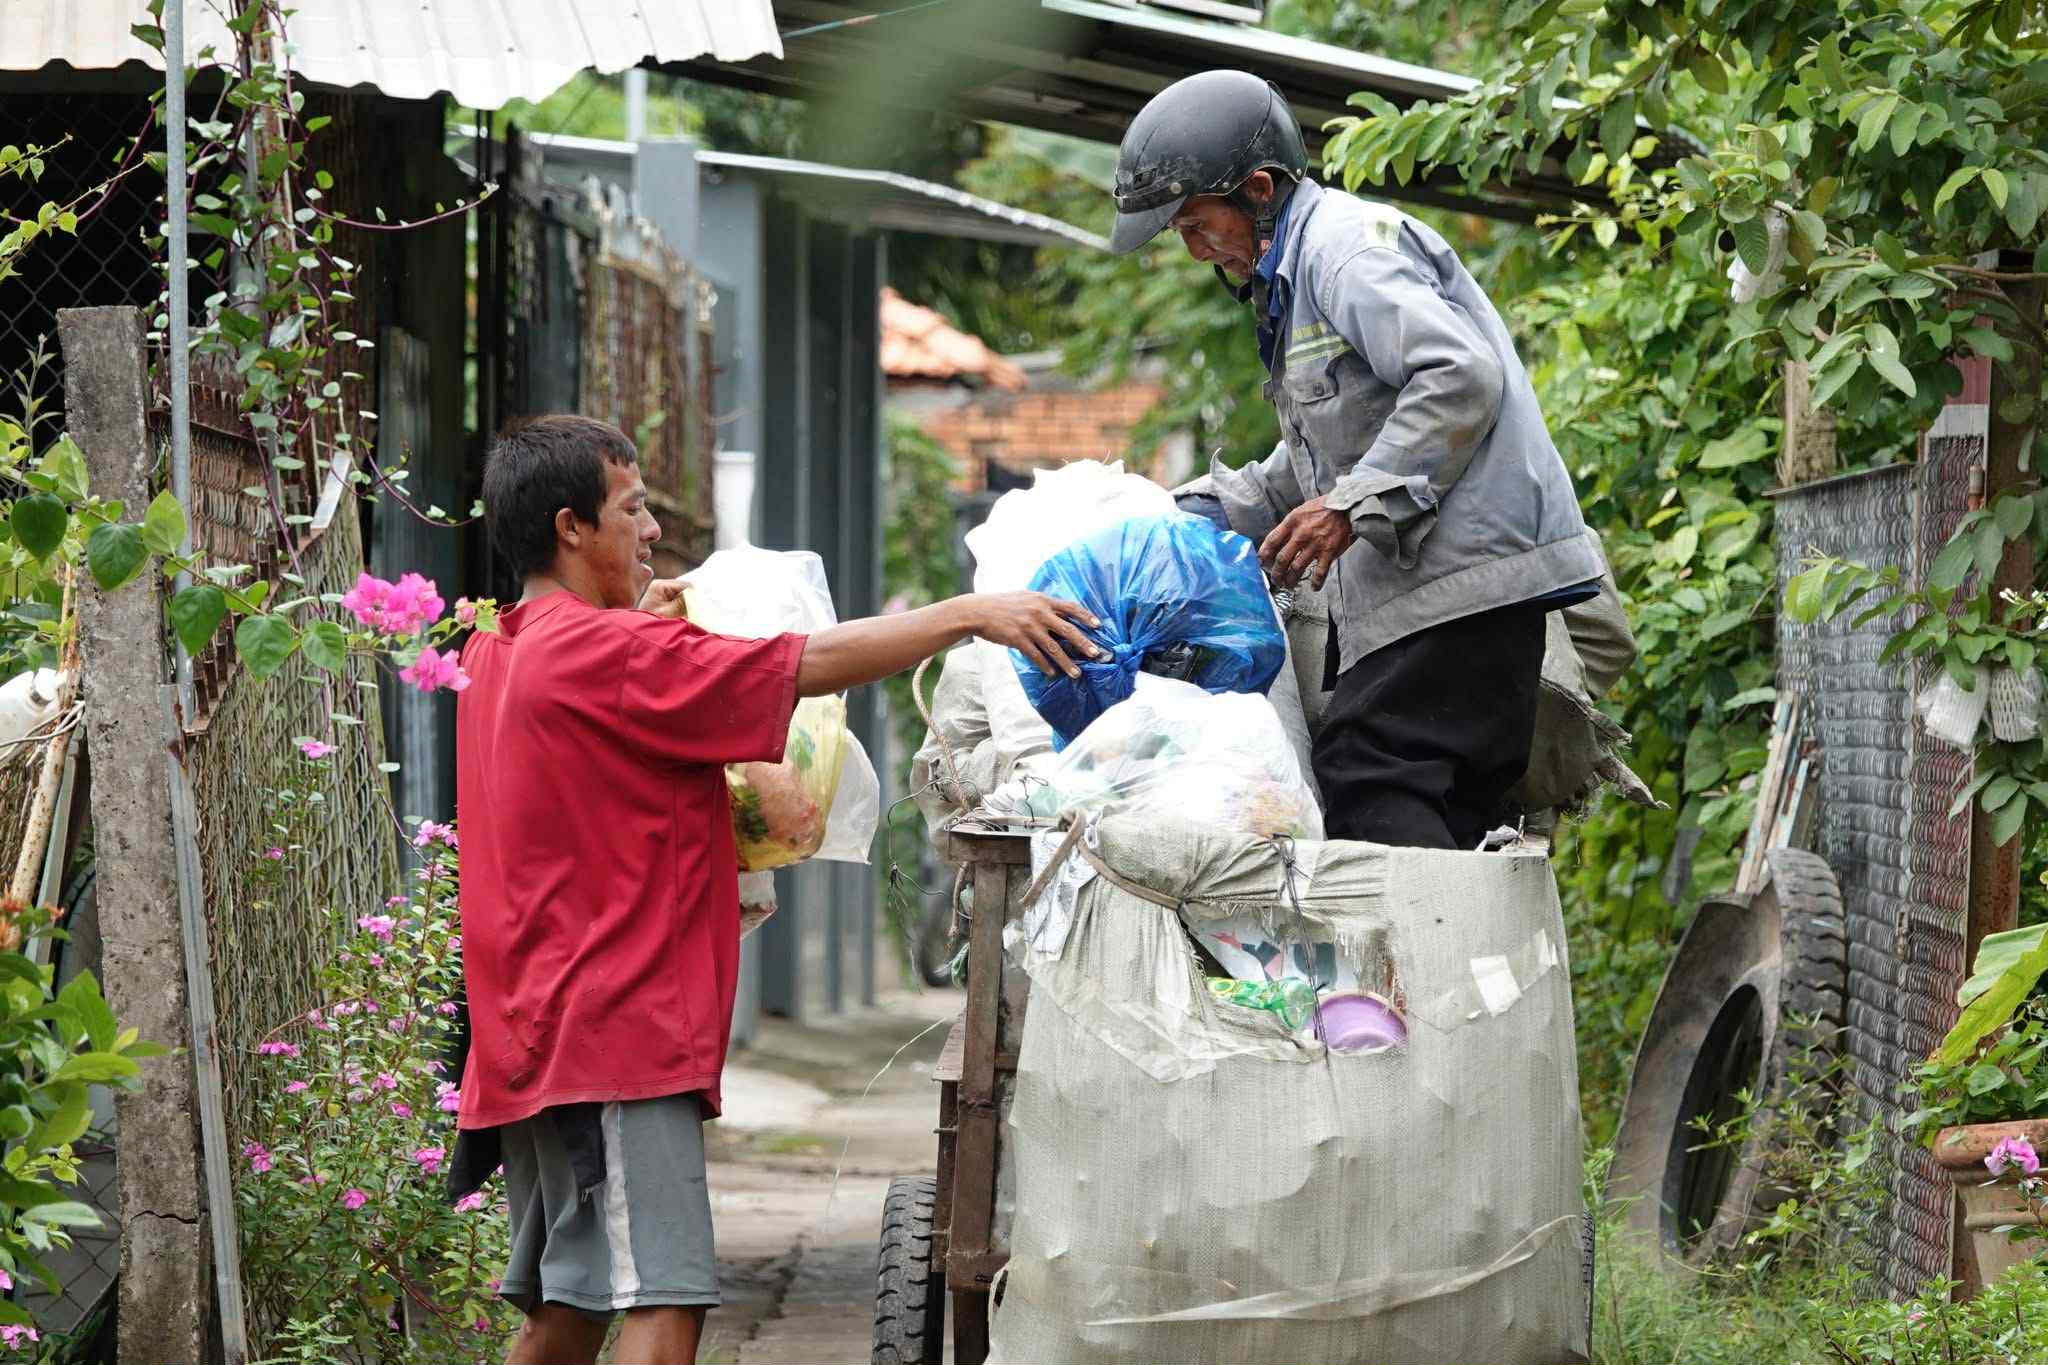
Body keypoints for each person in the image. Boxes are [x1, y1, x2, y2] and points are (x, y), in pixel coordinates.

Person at [445, 415, 1099, 1365]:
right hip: (611, 1032)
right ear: (570, 527)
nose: (652, 532)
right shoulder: (614, 657)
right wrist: (973, 613)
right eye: (631, 509)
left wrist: (640, 628)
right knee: (666, 1302)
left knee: (570, 1304)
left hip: (535, 1029)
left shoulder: (496, 651)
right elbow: (805, 663)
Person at [1111, 69, 1610, 850]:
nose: (1195, 249)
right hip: (1438, 597)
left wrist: (1351, 506)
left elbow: (1459, 372)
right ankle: (1451, 970)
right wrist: (1175, 515)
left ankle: (1398, 977)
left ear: (1261, 190)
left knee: (1372, 774)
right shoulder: (1294, 279)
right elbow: (1315, 457)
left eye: (1198, 224)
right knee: (1426, 798)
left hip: (1463, 588)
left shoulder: (1341, 253)